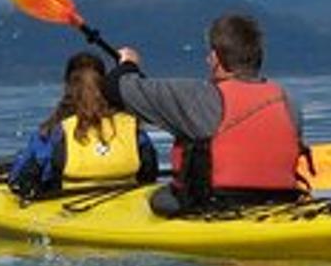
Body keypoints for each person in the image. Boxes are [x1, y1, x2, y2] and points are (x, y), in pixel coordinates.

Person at [105, 12, 305, 217]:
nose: (208, 59)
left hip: (214, 204)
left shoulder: (199, 97)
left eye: (210, 54)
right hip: (283, 201)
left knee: (157, 198)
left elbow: (115, 89)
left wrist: (128, 63)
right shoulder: (287, 101)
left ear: (216, 58)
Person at [7, 52, 159, 200]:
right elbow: (150, 173)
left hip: (67, 202)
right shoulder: (132, 128)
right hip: (128, 202)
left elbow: (20, 180)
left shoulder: (53, 132)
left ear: (68, 87)